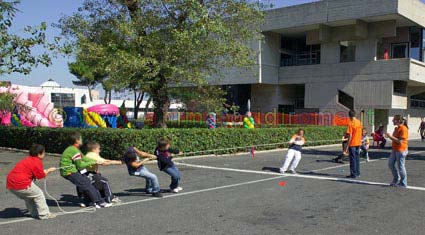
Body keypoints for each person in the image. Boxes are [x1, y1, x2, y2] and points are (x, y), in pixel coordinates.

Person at [60, 132, 111, 208]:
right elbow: (80, 165)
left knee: (86, 183)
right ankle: (99, 202)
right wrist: (93, 162)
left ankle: (88, 202)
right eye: (80, 139)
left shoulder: (73, 149)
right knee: (87, 185)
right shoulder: (74, 151)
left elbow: (84, 158)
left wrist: (96, 161)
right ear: (77, 140)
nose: (82, 140)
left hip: (71, 171)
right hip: (69, 172)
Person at [6, 144, 57, 220]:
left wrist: (44, 171)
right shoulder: (37, 161)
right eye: (44, 152)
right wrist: (49, 170)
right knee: (39, 194)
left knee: (29, 197)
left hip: (11, 184)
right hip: (21, 183)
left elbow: (34, 172)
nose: (44, 154)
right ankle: (44, 214)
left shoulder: (28, 160)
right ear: (40, 153)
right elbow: (40, 176)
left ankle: (34, 213)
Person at [385, 115, 409, 187]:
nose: (392, 121)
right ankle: (396, 178)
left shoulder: (403, 128)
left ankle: (403, 183)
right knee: (390, 164)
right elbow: (394, 139)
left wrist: (390, 137)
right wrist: (389, 136)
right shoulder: (397, 128)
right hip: (395, 149)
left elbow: (400, 141)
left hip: (401, 149)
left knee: (401, 166)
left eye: (394, 120)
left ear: (398, 121)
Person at [345, 110, 363, 178]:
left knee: (352, 159)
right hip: (358, 142)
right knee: (357, 158)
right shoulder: (359, 122)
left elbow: (350, 136)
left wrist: (346, 146)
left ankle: (353, 174)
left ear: (349, 116)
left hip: (352, 143)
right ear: (354, 115)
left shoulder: (350, 123)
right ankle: (358, 173)